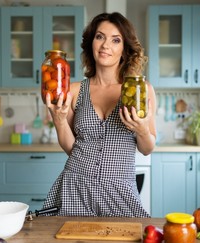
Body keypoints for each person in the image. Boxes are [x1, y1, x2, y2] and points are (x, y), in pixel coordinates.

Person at [42, 12, 157, 217]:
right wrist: (59, 121)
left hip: (119, 191)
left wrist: (142, 130)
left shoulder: (139, 89)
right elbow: (72, 148)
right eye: (99, 36)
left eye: (115, 40)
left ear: (125, 49)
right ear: (91, 44)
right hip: (75, 187)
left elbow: (147, 149)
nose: (105, 45)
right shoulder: (74, 90)